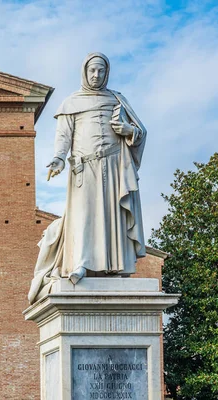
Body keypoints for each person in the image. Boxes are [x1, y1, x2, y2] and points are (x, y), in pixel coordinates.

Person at [28, 53, 147, 304]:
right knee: (84, 215)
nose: (96, 76)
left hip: (114, 166)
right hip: (84, 167)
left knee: (111, 215)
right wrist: (59, 159)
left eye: (101, 71)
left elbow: (141, 132)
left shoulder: (117, 100)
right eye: (92, 70)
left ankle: (114, 266)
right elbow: (63, 137)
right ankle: (80, 263)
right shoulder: (72, 103)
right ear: (84, 72)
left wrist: (128, 131)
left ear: (107, 73)